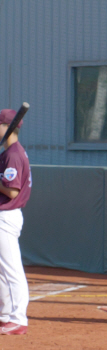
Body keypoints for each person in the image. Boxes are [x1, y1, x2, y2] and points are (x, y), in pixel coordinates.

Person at [0, 109, 32, 336]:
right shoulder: (9, 152)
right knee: (2, 271)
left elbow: (11, 191)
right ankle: (5, 316)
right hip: (7, 214)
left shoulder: (13, 153)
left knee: (11, 270)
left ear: (7, 127)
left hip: (6, 215)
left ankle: (18, 319)